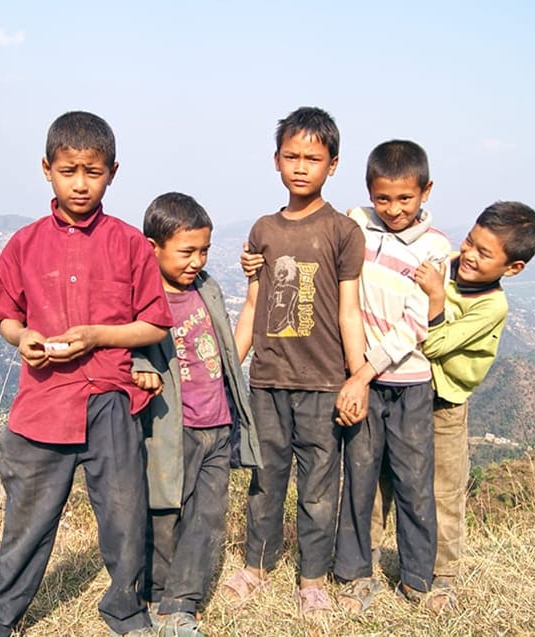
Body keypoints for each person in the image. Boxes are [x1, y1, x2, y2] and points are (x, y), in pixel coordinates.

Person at [0, 111, 174, 637]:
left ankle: (125, 609)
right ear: (47, 170)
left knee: (124, 518)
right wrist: (23, 338)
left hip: (110, 400)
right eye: (69, 170)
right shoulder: (25, 244)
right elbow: (6, 314)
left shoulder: (128, 244)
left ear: (113, 172)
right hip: (44, 402)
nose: (80, 183)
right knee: (28, 522)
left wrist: (99, 335)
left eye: (93, 171)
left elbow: (152, 324)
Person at [219, 106, 370, 619]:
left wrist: (357, 377)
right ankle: (257, 566)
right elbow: (252, 306)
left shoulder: (344, 233)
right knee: (265, 480)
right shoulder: (263, 229)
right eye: (292, 156)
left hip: (324, 382)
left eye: (313, 158)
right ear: (276, 161)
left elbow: (349, 309)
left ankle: (312, 578)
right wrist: (228, 370)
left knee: (319, 488)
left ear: (333, 164)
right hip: (266, 379)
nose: (301, 166)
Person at [130, 192, 262, 637]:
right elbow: (131, 353)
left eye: (204, 250)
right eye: (186, 252)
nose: (196, 260)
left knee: (206, 516)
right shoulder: (142, 299)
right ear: (154, 248)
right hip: (173, 428)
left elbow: (226, 348)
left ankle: (180, 605)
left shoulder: (207, 286)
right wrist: (142, 368)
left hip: (217, 423)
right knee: (165, 512)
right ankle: (156, 594)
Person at [334, 139, 453, 613]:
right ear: (369, 192)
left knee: (413, 482)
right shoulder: (356, 223)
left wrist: (360, 374)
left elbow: (413, 327)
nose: (394, 208)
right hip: (365, 379)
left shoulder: (435, 247)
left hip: (408, 386)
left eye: (405, 198)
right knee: (358, 479)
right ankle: (355, 574)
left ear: (426, 191)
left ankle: (420, 578)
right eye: (383, 198)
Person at [413, 200, 535, 597]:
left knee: (445, 490)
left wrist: (435, 297)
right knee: (386, 476)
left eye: (484, 253)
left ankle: (444, 575)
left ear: (513, 268)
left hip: (447, 403)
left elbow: (435, 344)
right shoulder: (445, 263)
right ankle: (365, 559)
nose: (468, 254)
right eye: (470, 241)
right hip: (409, 390)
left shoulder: (492, 304)